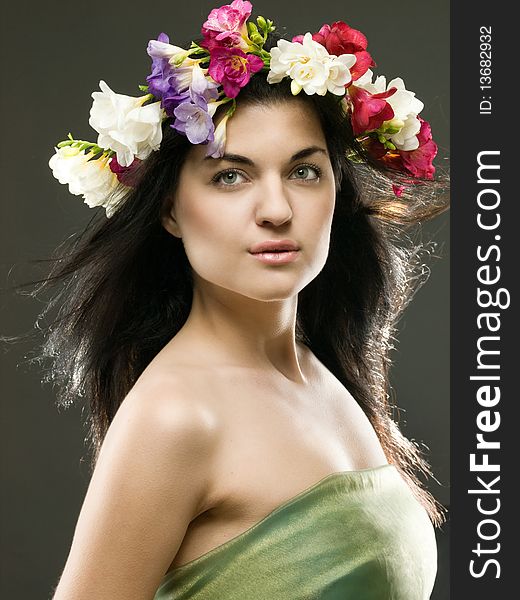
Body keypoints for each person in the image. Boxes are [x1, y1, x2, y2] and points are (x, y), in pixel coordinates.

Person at [40, 2, 449, 598]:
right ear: (170, 210)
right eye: (230, 176)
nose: (277, 210)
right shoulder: (176, 417)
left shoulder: (322, 373)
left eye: (304, 172)